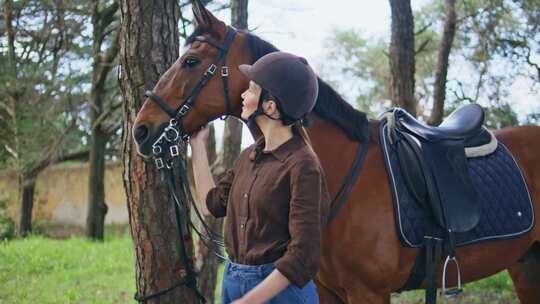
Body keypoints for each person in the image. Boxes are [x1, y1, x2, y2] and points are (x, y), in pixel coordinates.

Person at [189, 51, 330, 304]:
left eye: (252, 89)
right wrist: (197, 147)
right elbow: (212, 205)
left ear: (270, 106)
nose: (243, 95)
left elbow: (303, 255)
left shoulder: (303, 166)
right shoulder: (248, 156)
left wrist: (248, 301)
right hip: (234, 281)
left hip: (281, 293)